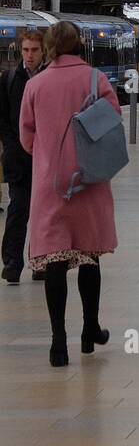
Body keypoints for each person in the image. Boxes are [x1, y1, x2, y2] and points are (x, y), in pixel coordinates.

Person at [18, 21, 121, 367]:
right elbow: (113, 121)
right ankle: (90, 330)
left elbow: (26, 137)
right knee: (89, 256)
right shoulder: (96, 80)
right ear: (79, 44)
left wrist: (49, 155)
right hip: (90, 180)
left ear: (49, 47)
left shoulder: (36, 85)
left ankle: (57, 341)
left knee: (55, 261)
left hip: (51, 184)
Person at [0, 29, 46, 284]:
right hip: (18, 158)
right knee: (18, 210)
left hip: (45, 158)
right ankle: (12, 263)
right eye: (26, 50)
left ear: (43, 51)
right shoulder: (9, 79)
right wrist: (11, 143)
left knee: (42, 213)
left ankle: (40, 261)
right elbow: (3, 118)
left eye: (34, 50)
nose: (29, 55)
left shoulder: (50, 79)